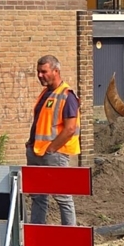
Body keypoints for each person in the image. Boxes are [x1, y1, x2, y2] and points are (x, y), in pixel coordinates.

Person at [26, 55, 80, 227]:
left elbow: (70, 128)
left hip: (54, 154)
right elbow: (42, 122)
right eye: (38, 72)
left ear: (56, 71)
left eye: (44, 72)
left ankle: (68, 243)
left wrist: (51, 149)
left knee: (63, 197)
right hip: (37, 152)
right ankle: (37, 244)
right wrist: (30, 143)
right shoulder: (46, 93)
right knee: (38, 197)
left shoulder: (67, 95)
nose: (40, 75)